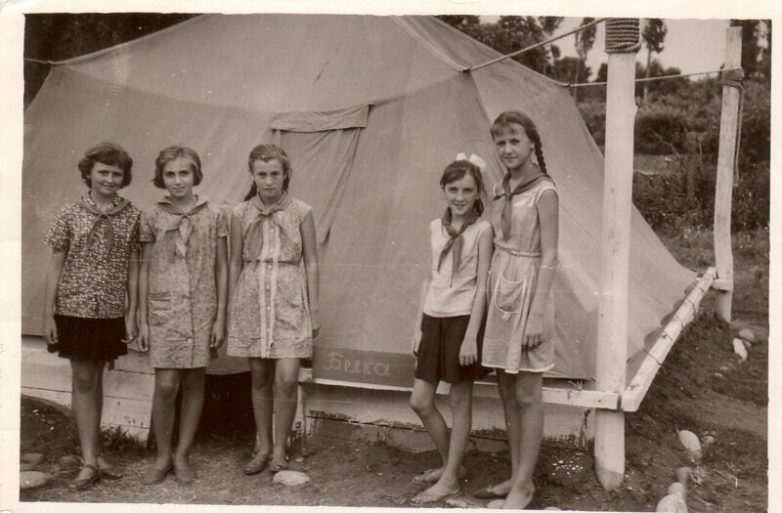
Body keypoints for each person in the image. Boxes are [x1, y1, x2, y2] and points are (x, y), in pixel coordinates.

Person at [41, 142, 141, 490]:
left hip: (110, 309)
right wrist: (48, 314)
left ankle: (95, 454)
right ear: (89, 173)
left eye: (116, 173)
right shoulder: (70, 213)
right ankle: (87, 460)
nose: (110, 179)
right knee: (84, 379)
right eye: (103, 172)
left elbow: (133, 267)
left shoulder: (132, 216)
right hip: (74, 308)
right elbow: (55, 264)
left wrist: (131, 311)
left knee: (95, 378)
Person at [475, 111, 559, 509]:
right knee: (506, 389)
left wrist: (537, 315)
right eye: (501, 142)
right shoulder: (500, 187)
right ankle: (515, 476)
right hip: (501, 289)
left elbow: (551, 255)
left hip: (529, 291)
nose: (507, 149)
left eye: (515, 141)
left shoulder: (544, 192)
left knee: (527, 391)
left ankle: (525, 485)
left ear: (531, 144)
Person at [136, 145, 229, 484]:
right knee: (166, 384)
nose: (177, 181)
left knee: (194, 381)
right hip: (164, 309)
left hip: (202, 308)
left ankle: (182, 454)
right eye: (170, 174)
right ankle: (162, 455)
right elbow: (144, 268)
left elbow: (222, 266)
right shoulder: (152, 215)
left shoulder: (215, 214)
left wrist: (220, 316)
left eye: (184, 173)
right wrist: (142, 318)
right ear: (161, 178)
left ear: (195, 175)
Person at [227, 144, 319, 475]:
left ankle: (281, 447)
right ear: (252, 175)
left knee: (288, 377)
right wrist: (233, 306)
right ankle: (264, 445)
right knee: (260, 375)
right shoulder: (240, 213)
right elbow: (234, 261)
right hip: (252, 298)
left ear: (285, 175)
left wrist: (315, 309)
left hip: (289, 297)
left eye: (275, 174)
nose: (268, 181)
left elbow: (312, 261)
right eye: (262, 174)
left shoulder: (301, 211)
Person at [409, 155, 493, 504]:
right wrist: (418, 326)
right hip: (433, 318)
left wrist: (472, 335)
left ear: (478, 193)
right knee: (420, 400)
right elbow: (429, 278)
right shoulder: (434, 227)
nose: (460, 197)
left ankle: (449, 481)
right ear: (443, 189)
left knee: (459, 401)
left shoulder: (482, 231)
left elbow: (482, 287)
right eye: (454, 189)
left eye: (468, 191)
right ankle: (451, 468)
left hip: (462, 321)